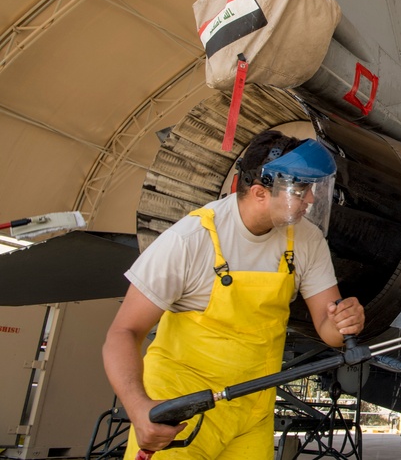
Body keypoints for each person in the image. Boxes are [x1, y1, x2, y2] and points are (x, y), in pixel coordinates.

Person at [103, 130, 364, 459]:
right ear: (259, 192)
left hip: (252, 409)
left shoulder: (306, 240)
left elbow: (329, 328)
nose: (310, 200)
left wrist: (344, 322)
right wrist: (139, 408)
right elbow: (122, 332)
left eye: (311, 189)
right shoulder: (190, 239)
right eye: (301, 190)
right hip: (182, 408)